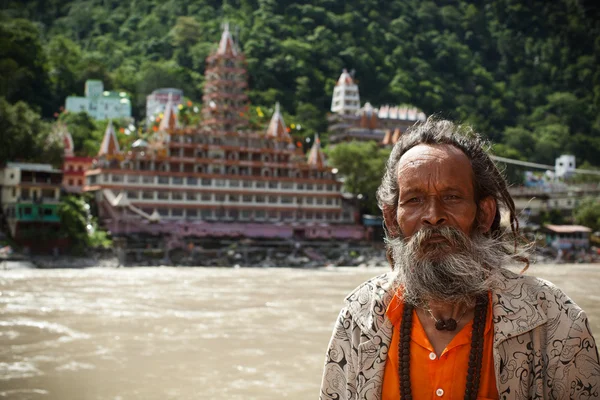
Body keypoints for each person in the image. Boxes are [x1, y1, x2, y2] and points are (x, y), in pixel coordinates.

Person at [320, 118, 600, 400]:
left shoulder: (554, 319)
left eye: (452, 197)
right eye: (414, 200)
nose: (432, 215)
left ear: (484, 214)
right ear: (392, 219)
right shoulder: (360, 317)